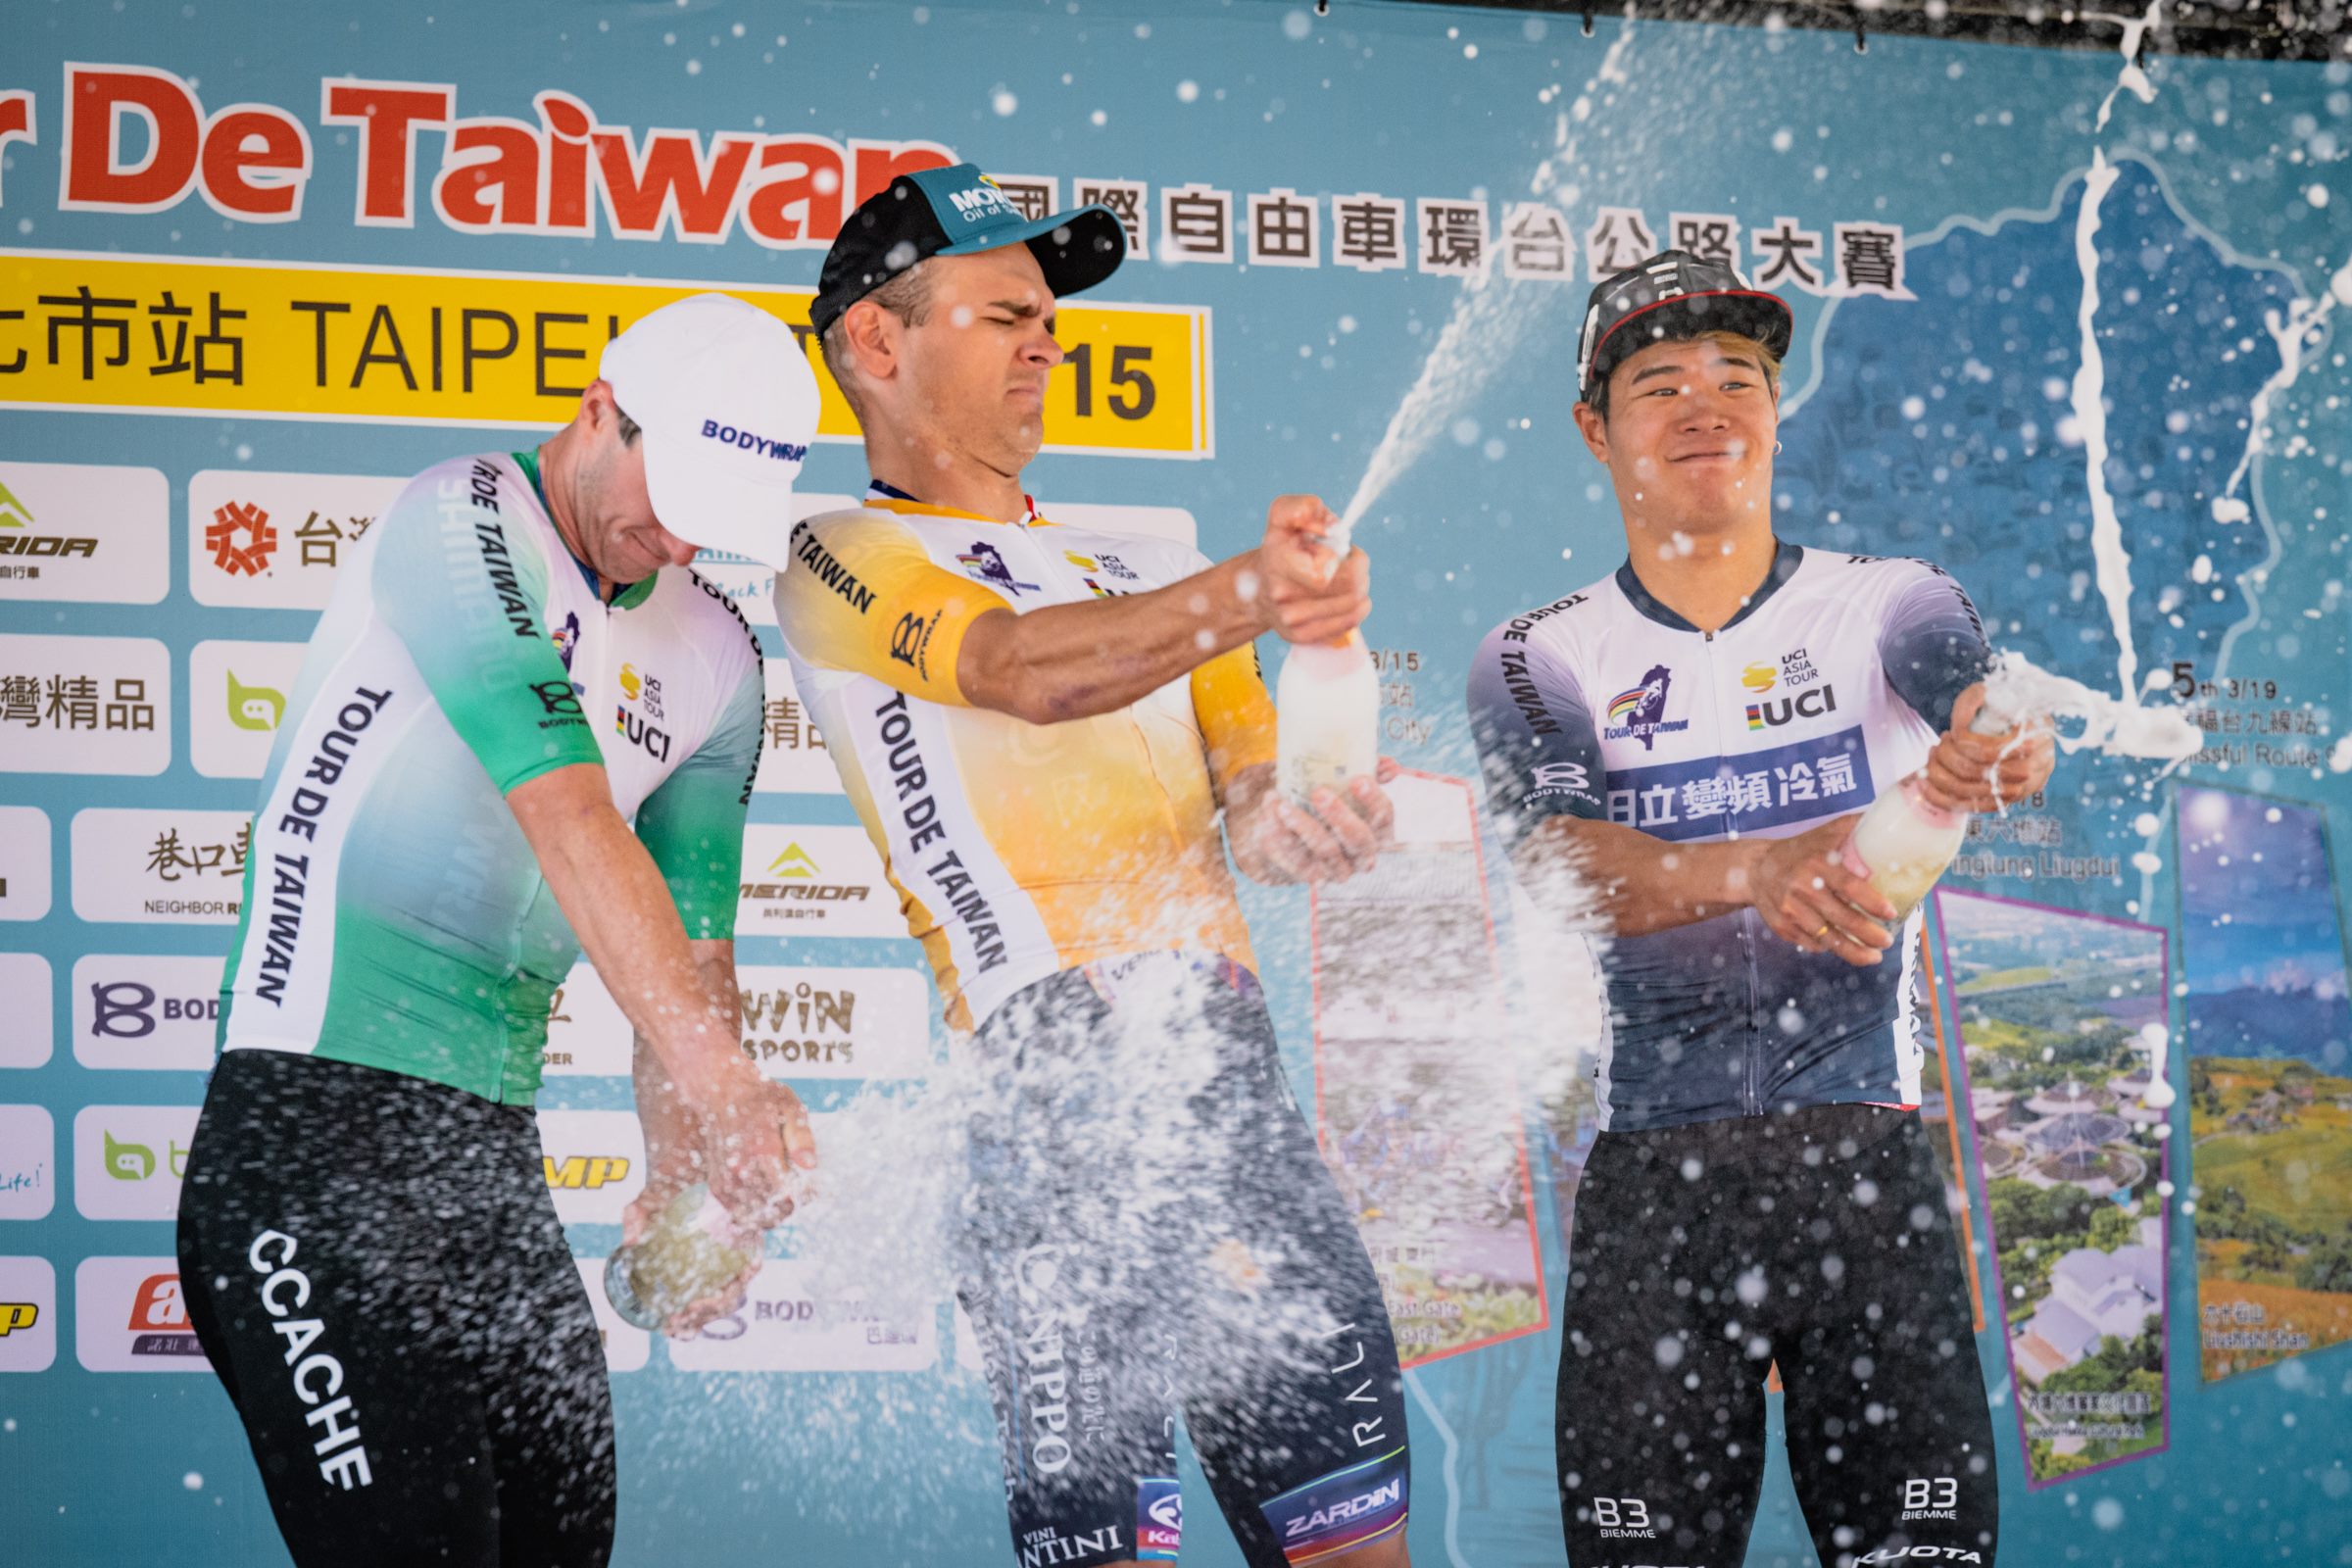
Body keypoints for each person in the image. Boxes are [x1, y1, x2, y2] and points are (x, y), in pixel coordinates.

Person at [774, 163, 1413, 1568]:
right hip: (1049, 1107)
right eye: (1005, 315)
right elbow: (1020, 672)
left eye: (1050, 320)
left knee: (1357, 1554)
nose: (1045, 342)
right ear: (875, 342)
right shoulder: (837, 555)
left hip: (1232, 1095)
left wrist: (1315, 809)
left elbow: (1256, 810)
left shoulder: (1149, 562)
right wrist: (1246, 592)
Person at [175, 293, 822, 1567]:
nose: (678, 536)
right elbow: (570, 814)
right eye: (669, 492)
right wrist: (733, 1091)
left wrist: (682, 1179)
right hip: (307, 1140)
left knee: (561, 1546)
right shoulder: (461, 518)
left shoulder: (720, 654)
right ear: (600, 410)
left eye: (714, 515)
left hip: (488, 1167)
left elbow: (695, 960)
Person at [1468, 251, 2055, 1568]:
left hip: (1866, 1178)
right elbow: (1557, 864)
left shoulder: (1890, 596)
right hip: (1656, 1196)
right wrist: (1754, 868)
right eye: (1661, 383)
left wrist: (2000, 736)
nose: (1707, 407)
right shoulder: (1537, 649)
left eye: (1738, 377)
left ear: (1778, 413)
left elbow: (1972, 691)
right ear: (1595, 430)